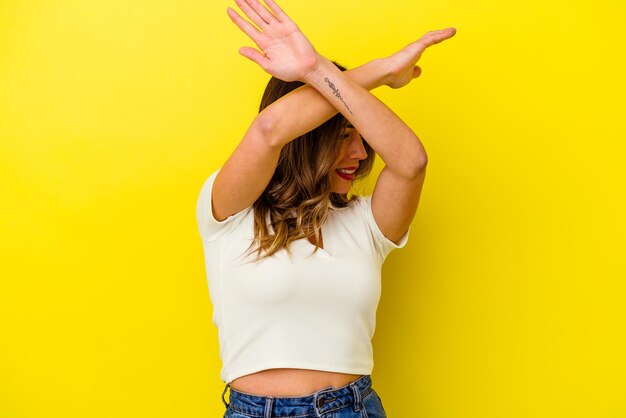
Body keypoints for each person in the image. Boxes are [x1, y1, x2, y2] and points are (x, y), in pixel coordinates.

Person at [195, 0, 456, 416]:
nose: (359, 152)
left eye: (361, 134)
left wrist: (314, 69)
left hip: (352, 408)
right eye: (341, 136)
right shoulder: (231, 212)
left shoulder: (366, 224)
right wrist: (379, 72)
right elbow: (269, 130)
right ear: (307, 136)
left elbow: (411, 162)